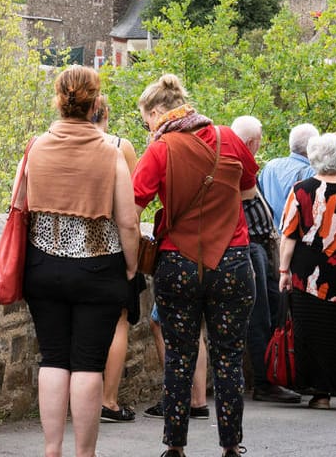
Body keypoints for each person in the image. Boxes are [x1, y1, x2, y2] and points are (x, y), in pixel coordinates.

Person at [132, 74, 259, 457]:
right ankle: (231, 445)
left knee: (179, 355)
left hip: (178, 262)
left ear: (157, 113)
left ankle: (175, 445)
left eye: (145, 120)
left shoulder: (160, 149)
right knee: (229, 358)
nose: (148, 128)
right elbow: (249, 191)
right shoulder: (228, 138)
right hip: (233, 260)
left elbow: (133, 205)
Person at [16, 66, 141, 457]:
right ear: (94, 102)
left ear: (59, 99)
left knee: (53, 357)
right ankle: (84, 453)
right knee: (87, 363)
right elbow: (128, 222)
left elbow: (20, 206)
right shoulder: (110, 151)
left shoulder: (35, 146)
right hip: (98, 268)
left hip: (43, 265)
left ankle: (51, 448)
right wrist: (132, 267)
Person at [276, 133, 336, 409]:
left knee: (312, 331)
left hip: (308, 272)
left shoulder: (301, 189)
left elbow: (289, 234)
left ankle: (321, 394)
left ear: (313, 156)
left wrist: (283, 270)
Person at [229, 115, 301, 406]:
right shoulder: (236, 162)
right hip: (249, 248)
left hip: (260, 246)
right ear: (251, 143)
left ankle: (274, 375)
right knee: (258, 316)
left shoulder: (243, 162)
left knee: (273, 311)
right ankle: (263, 381)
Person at [92, 95, 145, 422]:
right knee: (118, 321)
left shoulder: (59, 143)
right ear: (106, 113)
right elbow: (135, 200)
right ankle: (108, 400)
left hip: (71, 248)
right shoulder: (119, 146)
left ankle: (81, 395)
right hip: (113, 244)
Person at [257, 124, 318, 223]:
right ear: (313, 147)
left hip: (271, 235)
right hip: (297, 236)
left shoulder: (270, 166)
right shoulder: (311, 172)